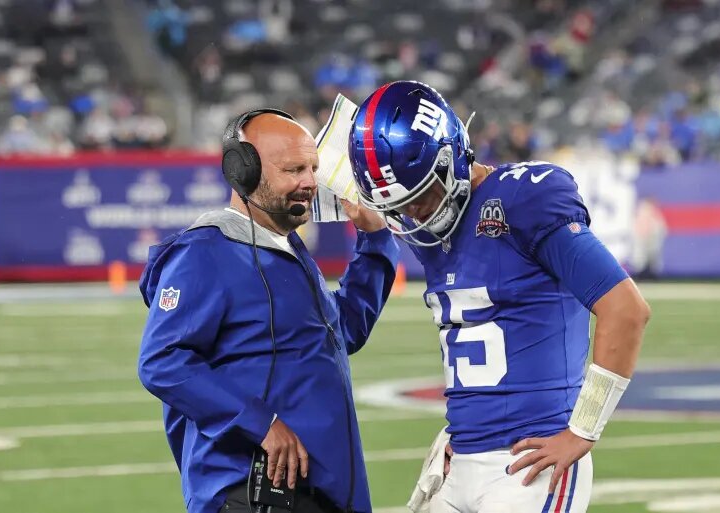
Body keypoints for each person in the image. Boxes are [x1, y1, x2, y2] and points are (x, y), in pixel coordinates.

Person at [347, 81, 651, 513]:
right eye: (403, 207)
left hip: (526, 464)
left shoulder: (524, 197)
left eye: (423, 197)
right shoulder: (430, 224)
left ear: (452, 154)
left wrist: (583, 430)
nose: (416, 214)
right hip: (458, 459)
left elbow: (626, 310)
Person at [138, 109, 399, 513]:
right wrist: (259, 423)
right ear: (243, 170)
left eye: (313, 168)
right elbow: (162, 362)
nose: (310, 182)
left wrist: (375, 240)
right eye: (294, 169)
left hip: (316, 488)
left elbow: (341, 332)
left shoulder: (287, 250)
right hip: (252, 491)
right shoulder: (204, 253)